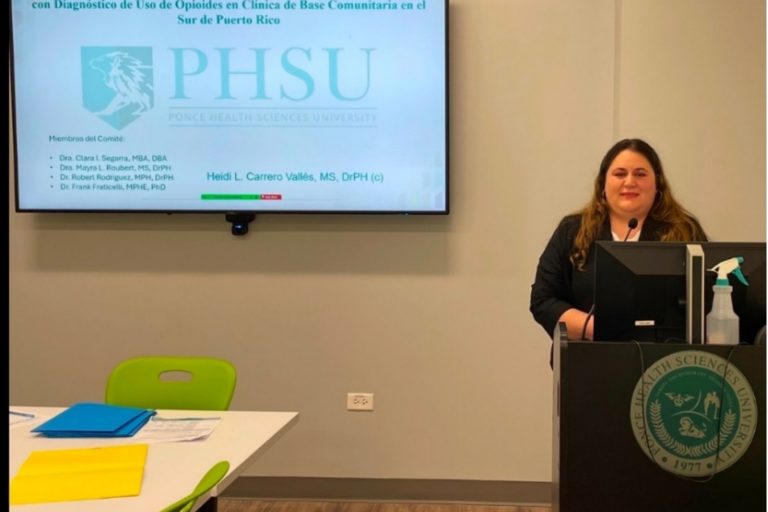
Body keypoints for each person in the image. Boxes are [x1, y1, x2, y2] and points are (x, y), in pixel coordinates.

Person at [529, 138, 708, 354]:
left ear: (658, 184)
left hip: (666, 361)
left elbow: (706, 300)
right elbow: (543, 300)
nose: (630, 182)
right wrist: (599, 329)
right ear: (603, 184)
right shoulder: (572, 230)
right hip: (588, 359)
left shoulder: (685, 231)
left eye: (640, 174)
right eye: (620, 174)